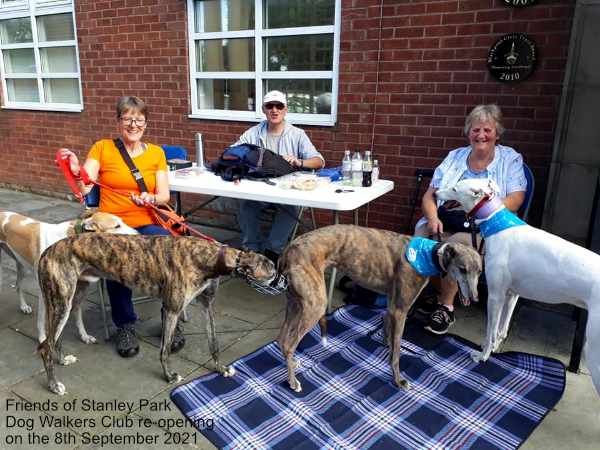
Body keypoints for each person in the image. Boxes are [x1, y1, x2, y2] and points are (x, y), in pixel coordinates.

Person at [58, 96, 185, 358]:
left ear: (146, 123)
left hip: (147, 220)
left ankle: (170, 315)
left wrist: (150, 198)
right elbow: (86, 186)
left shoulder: (156, 154)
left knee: (170, 253)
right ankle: (125, 325)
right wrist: (75, 169)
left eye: (139, 119)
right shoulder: (102, 148)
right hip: (112, 223)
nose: (133, 124)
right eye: (127, 118)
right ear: (118, 121)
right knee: (116, 258)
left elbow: (164, 196)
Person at [414, 104, 527, 334]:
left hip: (489, 227)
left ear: (497, 133)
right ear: (468, 132)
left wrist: (480, 211)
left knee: (455, 245)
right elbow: (430, 195)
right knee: (420, 239)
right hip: (448, 218)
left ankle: (445, 308)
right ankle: (423, 292)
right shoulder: (455, 157)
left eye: (487, 129)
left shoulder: (510, 159)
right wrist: (433, 217)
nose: (481, 135)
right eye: (476, 130)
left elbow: (516, 199)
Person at [234, 90, 325, 262]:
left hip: (288, 191)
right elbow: (234, 152)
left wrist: (299, 162)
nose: (274, 110)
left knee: (291, 207)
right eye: (270, 106)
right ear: (264, 109)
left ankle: (272, 251)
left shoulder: (297, 134)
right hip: (260, 188)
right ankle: (252, 249)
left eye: (279, 106)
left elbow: (319, 161)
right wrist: (237, 168)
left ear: (285, 110)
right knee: (246, 203)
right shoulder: (253, 132)